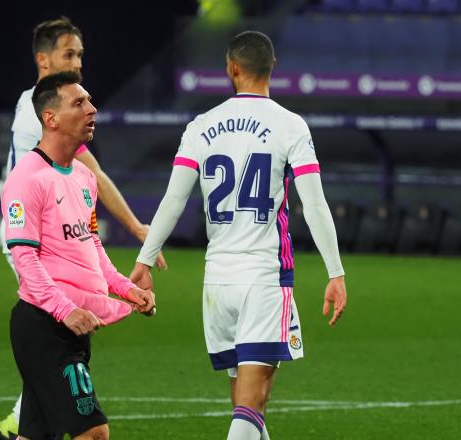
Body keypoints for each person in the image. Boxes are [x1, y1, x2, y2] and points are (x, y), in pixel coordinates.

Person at [130, 31, 348, 439]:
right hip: (263, 279)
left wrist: (144, 260)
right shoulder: (290, 126)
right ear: (273, 67)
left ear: (232, 68)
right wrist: (335, 273)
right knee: (253, 403)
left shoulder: (201, 126)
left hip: (216, 282)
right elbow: (315, 206)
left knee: (247, 410)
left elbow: (173, 200)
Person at [0, 17, 165, 440]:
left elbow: (91, 244)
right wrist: (136, 227)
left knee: (37, 426)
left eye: (80, 55)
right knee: (91, 428)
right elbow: (27, 255)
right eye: (69, 54)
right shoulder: (35, 151)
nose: (92, 108)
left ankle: (26, 417)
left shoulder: (75, 170)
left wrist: (126, 289)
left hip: (59, 278)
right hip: (41, 278)